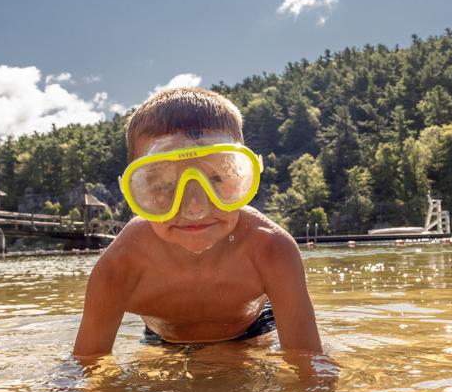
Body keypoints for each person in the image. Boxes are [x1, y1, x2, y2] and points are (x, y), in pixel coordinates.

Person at [72, 87, 323, 359]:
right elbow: (86, 366)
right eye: (166, 185)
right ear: (135, 191)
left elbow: (310, 362)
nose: (195, 208)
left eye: (217, 180)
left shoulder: (272, 250)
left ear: (242, 178)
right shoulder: (119, 268)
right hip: (163, 341)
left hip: (257, 331)